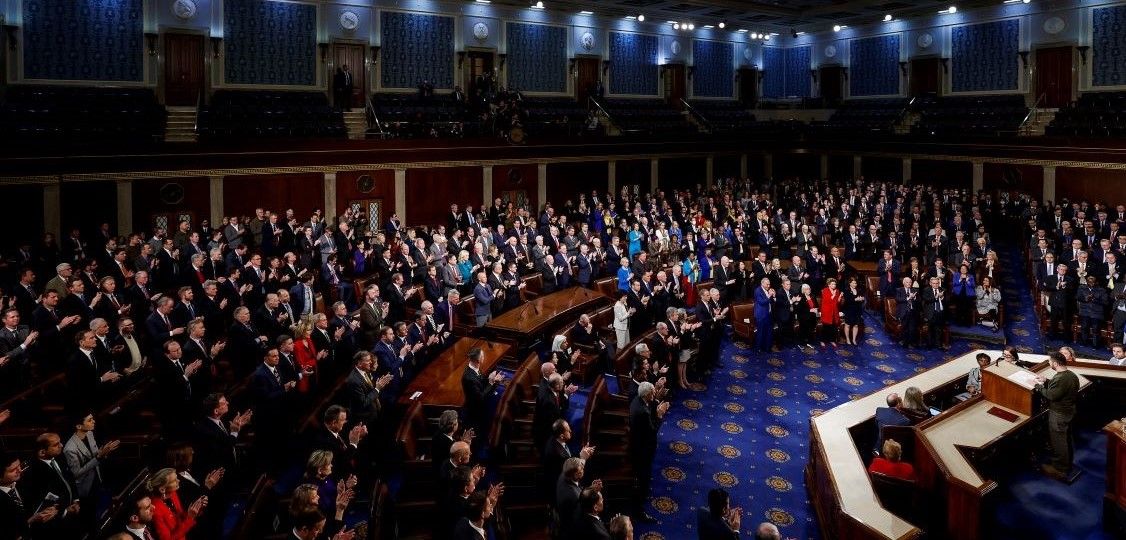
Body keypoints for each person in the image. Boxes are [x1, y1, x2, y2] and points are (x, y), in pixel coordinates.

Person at [1034, 351, 1080, 480]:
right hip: (1069, 412)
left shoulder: (1060, 378)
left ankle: (1060, 469)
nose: (1049, 363)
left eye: (1049, 361)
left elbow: (1052, 395)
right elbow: (1061, 389)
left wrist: (1039, 386)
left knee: (1059, 442)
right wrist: (1047, 381)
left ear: (1055, 363)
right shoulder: (1071, 375)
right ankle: (1067, 464)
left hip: (1059, 415)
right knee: (1067, 440)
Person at [628, 382, 668, 523]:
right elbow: (652, 431)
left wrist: (655, 406)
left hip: (637, 444)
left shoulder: (637, 400)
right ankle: (639, 510)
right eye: (652, 393)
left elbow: (648, 413)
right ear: (646, 395)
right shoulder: (643, 412)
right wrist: (660, 415)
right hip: (642, 451)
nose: (654, 395)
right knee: (643, 478)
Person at [147, 467, 207, 540]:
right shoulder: (155, 510)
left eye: (177, 478)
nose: (178, 481)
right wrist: (190, 517)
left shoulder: (172, 493)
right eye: (174, 480)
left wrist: (194, 511)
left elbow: (180, 517)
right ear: (162, 489)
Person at [461, 347, 504, 436]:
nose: (484, 357)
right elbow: (480, 398)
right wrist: (492, 383)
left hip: (479, 406)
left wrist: (490, 378)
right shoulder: (469, 378)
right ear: (478, 360)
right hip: (475, 411)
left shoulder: (475, 368)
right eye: (483, 356)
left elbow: (480, 381)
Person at [819, 278, 842, 349]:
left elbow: (837, 303)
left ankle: (832, 340)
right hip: (826, 311)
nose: (834, 285)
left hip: (834, 311)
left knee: (833, 327)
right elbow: (827, 301)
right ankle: (822, 340)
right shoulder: (825, 290)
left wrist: (839, 298)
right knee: (826, 327)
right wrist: (834, 295)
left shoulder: (837, 291)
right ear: (829, 285)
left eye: (835, 284)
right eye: (832, 284)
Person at [841, 276, 864, 346]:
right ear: (850, 283)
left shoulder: (859, 290)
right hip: (849, 310)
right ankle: (848, 339)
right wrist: (855, 299)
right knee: (848, 325)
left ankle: (854, 339)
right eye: (853, 283)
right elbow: (847, 301)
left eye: (855, 283)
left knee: (856, 325)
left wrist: (862, 299)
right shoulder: (846, 290)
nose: (855, 285)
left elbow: (862, 298)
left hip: (857, 310)